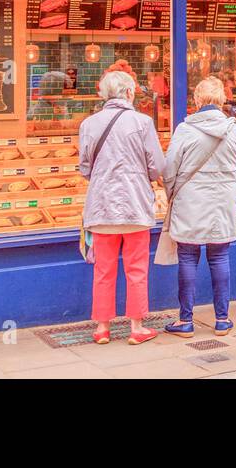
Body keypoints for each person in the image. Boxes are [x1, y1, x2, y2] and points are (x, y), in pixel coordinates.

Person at [79, 70, 165, 346]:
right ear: (129, 93)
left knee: (103, 270)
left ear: (104, 94)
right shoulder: (142, 122)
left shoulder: (89, 124)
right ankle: (136, 327)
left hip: (102, 207)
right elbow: (157, 166)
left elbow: (84, 168)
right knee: (136, 268)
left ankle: (102, 328)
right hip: (135, 207)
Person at [161, 76, 236, 338]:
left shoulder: (185, 130)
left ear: (197, 100)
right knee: (220, 257)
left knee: (187, 256)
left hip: (191, 200)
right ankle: (222, 319)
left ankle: (185, 321)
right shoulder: (234, 130)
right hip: (223, 200)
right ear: (221, 100)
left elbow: (169, 169)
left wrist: (171, 193)